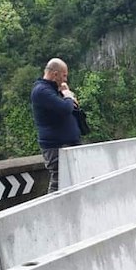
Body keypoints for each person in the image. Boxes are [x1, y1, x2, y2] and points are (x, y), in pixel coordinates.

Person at [31, 58, 81, 193]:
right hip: (55, 147)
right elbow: (65, 108)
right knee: (58, 182)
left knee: (73, 181)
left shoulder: (54, 90)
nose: (65, 79)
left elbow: (72, 106)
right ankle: (51, 211)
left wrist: (67, 94)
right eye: (64, 75)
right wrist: (68, 96)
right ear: (55, 74)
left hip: (66, 144)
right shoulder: (41, 91)